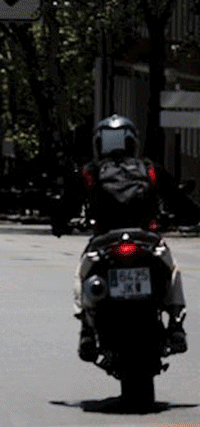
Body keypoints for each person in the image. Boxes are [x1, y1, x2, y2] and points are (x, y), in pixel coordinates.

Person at [69, 115, 187, 362]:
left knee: (82, 274)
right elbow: (178, 199)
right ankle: (176, 324)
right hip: (147, 240)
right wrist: (191, 215)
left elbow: (67, 204)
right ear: (133, 141)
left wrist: (58, 222)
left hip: (103, 242)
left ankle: (87, 330)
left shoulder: (90, 171)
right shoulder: (149, 169)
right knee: (172, 270)